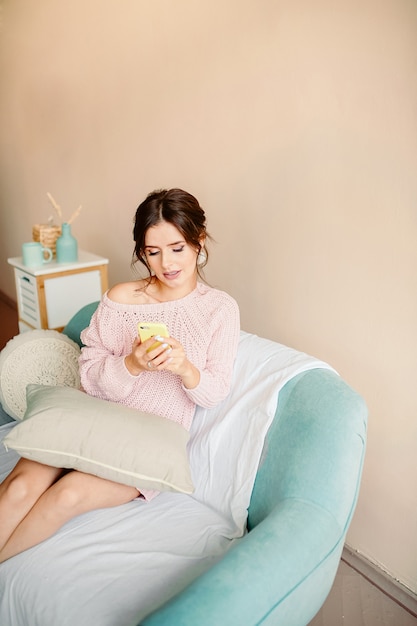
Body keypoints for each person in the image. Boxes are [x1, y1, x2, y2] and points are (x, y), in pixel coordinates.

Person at [0, 188, 240, 562]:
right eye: (153, 252)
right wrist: (132, 364)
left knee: (67, 495)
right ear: (142, 252)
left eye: (177, 247)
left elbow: (214, 392)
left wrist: (184, 368)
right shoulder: (121, 299)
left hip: (142, 444)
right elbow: (90, 373)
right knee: (18, 488)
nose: (167, 263)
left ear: (199, 241)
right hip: (91, 417)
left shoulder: (219, 310)